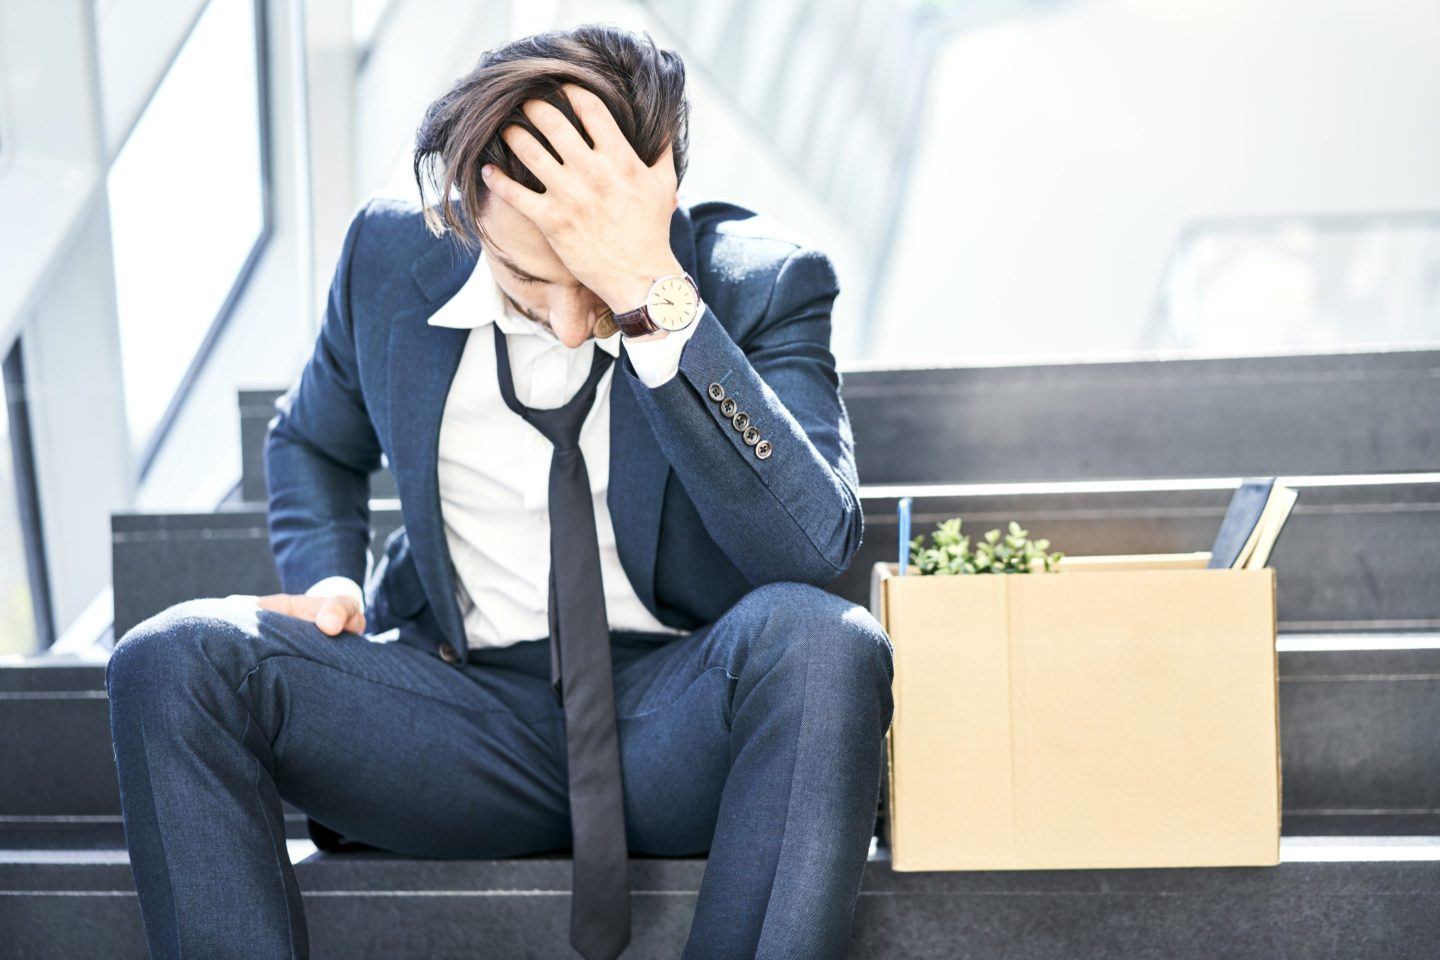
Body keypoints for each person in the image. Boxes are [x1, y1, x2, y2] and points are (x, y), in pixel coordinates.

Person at [105, 23, 894, 960]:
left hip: (676, 720)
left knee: (830, 647)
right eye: (527, 279)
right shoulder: (386, 261)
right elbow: (312, 441)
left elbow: (809, 549)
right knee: (173, 656)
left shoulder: (760, 282)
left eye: (591, 285)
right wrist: (329, 579)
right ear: (468, 206)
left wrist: (652, 301)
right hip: (456, 715)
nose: (567, 326)